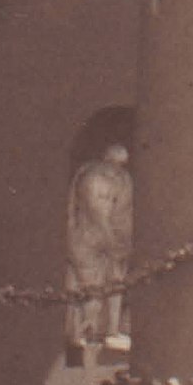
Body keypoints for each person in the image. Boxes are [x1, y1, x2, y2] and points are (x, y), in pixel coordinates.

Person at [63, 144, 134, 360]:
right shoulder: (92, 178)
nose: (117, 170)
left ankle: (111, 330)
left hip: (114, 241)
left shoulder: (122, 179)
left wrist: (120, 240)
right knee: (88, 285)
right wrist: (111, 239)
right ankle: (83, 332)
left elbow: (123, 210)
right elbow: (97, 213)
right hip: (88, 238)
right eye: (114, 165)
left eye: (121, 166)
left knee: (115, 282)